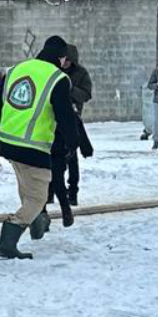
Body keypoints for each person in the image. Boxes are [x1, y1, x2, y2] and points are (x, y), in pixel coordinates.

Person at [0, 35, 80, 259]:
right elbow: (65, 115)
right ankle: (8, 240)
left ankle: (35, 223)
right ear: (61, 58)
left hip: (8, 141)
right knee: (37, 198)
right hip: (33, 146)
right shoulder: (57, 78)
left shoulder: (16, 70)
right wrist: (72, 142)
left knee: (26, 186)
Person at [62, 43, 92, 205]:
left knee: (72, 156)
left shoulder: (81, 73)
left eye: (68, 60)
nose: (65, 63)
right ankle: (52, 190)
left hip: (73, 117)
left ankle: (73, 191)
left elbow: (86, 94)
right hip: (54, 117)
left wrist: (70, 89)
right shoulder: (54, 71)